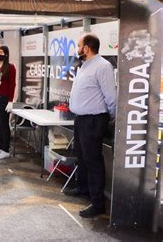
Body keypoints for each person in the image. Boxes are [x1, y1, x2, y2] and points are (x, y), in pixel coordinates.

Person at [66, 34, 116, 218]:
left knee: (93, 160)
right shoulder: (83, 66)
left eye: (78, 45)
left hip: (94, 120)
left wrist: (109, 116)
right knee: (82, 156)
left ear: (86, 48)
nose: (76, 49)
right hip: (81, 119)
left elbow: (111, 96)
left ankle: (97, 203)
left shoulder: (103, 66)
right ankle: (83, 189)